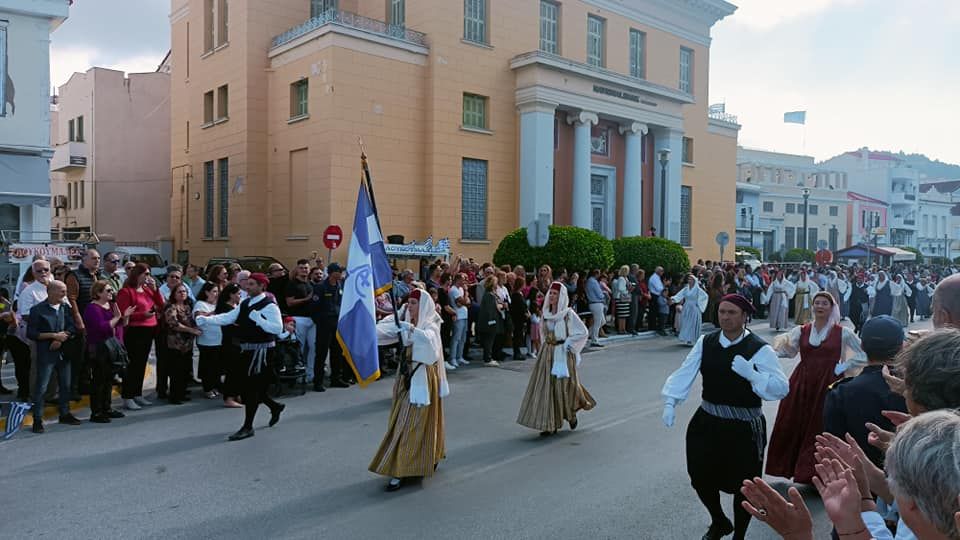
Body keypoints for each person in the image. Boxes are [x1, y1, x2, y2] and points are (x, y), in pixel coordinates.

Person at [661, 294, 789, 540]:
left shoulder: (759, 349)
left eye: (732, 313)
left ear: (744, 316)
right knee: (700, 477)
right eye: (722, 312)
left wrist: (753, 374)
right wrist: (670, 401)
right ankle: (719, 521)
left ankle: (739, 535)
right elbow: (685, 371)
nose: (726, 317)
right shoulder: (706, 342)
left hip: (744, 427)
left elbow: (780, 388)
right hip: (707, 420)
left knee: (746, 486)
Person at [766, 291, 866, 484]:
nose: (820, 306)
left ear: (832, 307)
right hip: (801, 382)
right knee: (793, 422)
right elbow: (789, 351)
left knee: (820, 426)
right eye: (817, 303)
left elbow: (864, 352)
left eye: (824, 304)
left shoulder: (842, 332)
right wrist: (769, 354)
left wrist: (844, 366)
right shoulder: (802, 330)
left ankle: (815, 473)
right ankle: (792, 467)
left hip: (827, 382)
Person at [370, 288, 448, 492]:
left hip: (421, 377)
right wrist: (363, 326)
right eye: (409, 303)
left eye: (414, 303)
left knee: (414, 422)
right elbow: (383, 332)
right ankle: (407, 464)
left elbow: (430, 344)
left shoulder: (431, 322)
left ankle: (401, 469)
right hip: (405, 377)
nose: (410, 307)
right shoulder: (404, 319)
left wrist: (410, 330)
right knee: (401, 420)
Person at [196, 273, 286, 441]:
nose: (247, 287)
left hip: (262, 352)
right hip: (246, 350)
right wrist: (206, 320)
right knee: (249, 387)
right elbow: (228, 318)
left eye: (252, 284)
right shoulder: (245, 303)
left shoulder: (269, 305)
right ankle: (274, 406)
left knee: (251, 389)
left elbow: (276, 329)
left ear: (261, 286)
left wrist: (259, 319)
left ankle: (248, 427)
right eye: (247, 283)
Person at [822, 315, 907, 469]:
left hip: (859, 478)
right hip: (907, 478)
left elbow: (834, 443)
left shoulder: (841, 391)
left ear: (861, 346)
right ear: (902, 346)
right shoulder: (916, 390)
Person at [517, 282, 594, 436]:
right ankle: (549, 424)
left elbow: (583, 332)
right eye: (550, 293)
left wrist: (568, 343)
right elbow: (542, 334)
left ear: (561, 296)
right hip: (547, 353)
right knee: (546, 387)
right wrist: (542, 352)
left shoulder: (568, 314)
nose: (551, 296)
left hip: (563, 352)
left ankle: (571, 413)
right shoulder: (545, 314)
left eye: (555, 294)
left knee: (566, 386)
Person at [28, 281, 82, 433]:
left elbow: (72, 327)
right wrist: (52, 336)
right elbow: (31, 333)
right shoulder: (37, 310)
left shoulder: (65, 308)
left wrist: (61, 337)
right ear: (50, 291)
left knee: (65, 384)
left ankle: (65, 413)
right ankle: (37, 419)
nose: (64, 294)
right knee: (42, 387)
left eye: (65, 291)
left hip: (63, 352)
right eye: (62, 291)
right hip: (46, 353)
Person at [116, 263, 165, 410]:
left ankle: (137, 393)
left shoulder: (146, 290)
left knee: (142, 363)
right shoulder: (126, 292)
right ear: (137, 275)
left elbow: (160, 304)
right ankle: (128, 395)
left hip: (149, 330)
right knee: (133, 365)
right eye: (146, 274)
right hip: (135, 331)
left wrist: (155, 290)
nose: (148, 277)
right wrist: (142, 315)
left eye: (149, 274)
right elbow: (124, 314)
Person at [83, 280, 134, 423]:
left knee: (108, 380)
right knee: (99, 380)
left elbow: (119, 325)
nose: (112, 293)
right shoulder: (93, 308)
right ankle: (96, 412)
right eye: (108, 290)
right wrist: (117, 317)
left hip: (111, 346)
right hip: (99, 347)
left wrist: (125, 316)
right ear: (98, 293)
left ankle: (107, 408)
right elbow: (102, 327)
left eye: (112, 290)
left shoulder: (110, 305)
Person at [313, 262, 349, 390]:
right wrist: (320, 321)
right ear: (332, 272)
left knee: (337, 352)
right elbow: (315, 307)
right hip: (324, 323)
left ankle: (336, 378)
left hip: (337, 323)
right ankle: (318, 381)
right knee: (321, 353)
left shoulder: (340, 285)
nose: (341, 274)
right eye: (339, 271)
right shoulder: (321, 287)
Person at [163, 283, 201, 405]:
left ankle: (182, 392)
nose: (182, 293)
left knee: (185, 370)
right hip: (175, 343)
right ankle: (175, 395)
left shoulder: (187, 307)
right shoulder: (171, 307)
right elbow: (173, 324)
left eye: (184, 291)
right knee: (176, 371)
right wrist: (191, 330)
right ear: (174, 294)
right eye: (179, 291)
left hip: (187, 344)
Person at [285, 259, 316, 384]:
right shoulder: (292, 284)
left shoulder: (310, 284)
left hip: (312, 319)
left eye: (306, 268)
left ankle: (311, 374)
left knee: (314, 347)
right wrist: (306, 299)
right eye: (302, 268)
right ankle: (298, 374)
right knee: (300, 347)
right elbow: (289, 302)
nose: (304, 270)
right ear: (297, 269)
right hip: (299, 318)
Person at [193, 283, 222, 399]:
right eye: (214, 291)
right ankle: (207, 388)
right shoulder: (200, 304)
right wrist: (213, 313)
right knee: (207, 365)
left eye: (217, 292)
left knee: (216, 365)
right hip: (206, 341)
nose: (216, 294)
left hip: (219, 340)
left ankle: (216, 385)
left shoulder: (217, 304)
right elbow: (198, 317)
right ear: (206, 292)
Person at [671, 274, 709, 346]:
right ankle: (686, 338)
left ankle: (691, 339)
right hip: (686, 307)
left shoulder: (698, 290)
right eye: (688, 279)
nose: (689, 281)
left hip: (694, 308)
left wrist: (699, 303)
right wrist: (673, 299)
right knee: (686, 323)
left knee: (692, 323)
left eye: (691, 279)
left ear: (694, 281)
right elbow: (680, 295)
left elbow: (705, 296)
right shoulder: (686, 289)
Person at [477, 275, 503, 366]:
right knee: (489, 341)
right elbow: (489, 310)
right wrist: (492, 322)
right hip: (490, 323)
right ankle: (487, 359)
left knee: (489, 341)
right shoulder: (489, 295)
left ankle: (488, 357)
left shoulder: (490, 294)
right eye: (496, 283)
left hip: (489, 322)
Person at [448, 273, 470, 367]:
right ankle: (452, 358)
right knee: (456, 338)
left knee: (463, 338)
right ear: (458, 280)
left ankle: (459, 356)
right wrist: (466, 293)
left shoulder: (460, 289)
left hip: (464, 315)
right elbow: (461, 303)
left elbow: (468, 303)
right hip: (458, 316)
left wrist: (465, 300)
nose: (464, 281)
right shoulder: (454, 290)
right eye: (463, 279)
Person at [612, 265, 631, 335]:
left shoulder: (625, 278)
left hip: (624, 298)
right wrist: (627, 290)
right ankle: (620, 329)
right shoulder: (621, 278)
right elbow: (621, 288)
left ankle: (623, 328)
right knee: (621, 315)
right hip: (621, 298)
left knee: (624, 315)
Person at [648, 266, 666, 336]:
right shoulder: (654, 278)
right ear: (658, 271)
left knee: (655, 311)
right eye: (661, 271)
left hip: (657, 295)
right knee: (653, 311)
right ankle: (652, 326)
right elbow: (659, 288)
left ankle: (654, 325)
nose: (662, 273)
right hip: (654, 296)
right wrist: (664, 287)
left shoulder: (657, 277)